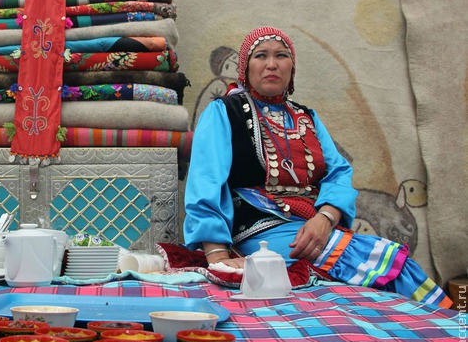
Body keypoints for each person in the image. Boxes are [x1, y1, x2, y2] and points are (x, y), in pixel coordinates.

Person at [183, 26, 452, 308]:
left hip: (314, 227)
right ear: (245, 68)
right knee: (382, 259)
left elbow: (338, 172)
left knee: (391, 263)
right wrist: (218, 257)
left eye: (281, 56)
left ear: (292, 68)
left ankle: (440, 335)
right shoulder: (225, 111)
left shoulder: (306, 118)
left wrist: (325, 219)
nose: (271, 64)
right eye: (260, 56)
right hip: (259, 230)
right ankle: (451, 332)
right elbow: (206, 181)